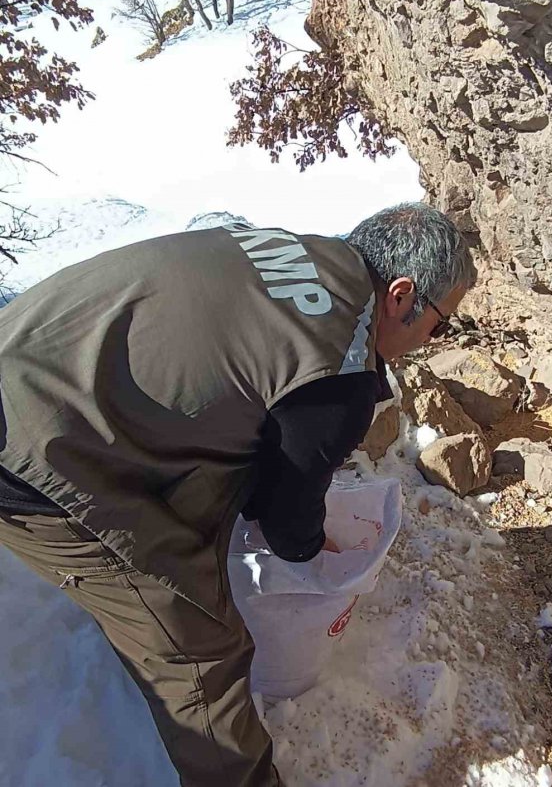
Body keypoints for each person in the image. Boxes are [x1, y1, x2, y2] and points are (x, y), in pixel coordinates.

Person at [0, 202, 476, 786]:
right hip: (34, 455)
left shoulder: (297, 249)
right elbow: (285, 524)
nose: (435, 339)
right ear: (401, 296)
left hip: (34, 361)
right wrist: (311, 544)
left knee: (205, 509)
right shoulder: (340, 371)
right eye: (441, 323)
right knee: (201, 648)